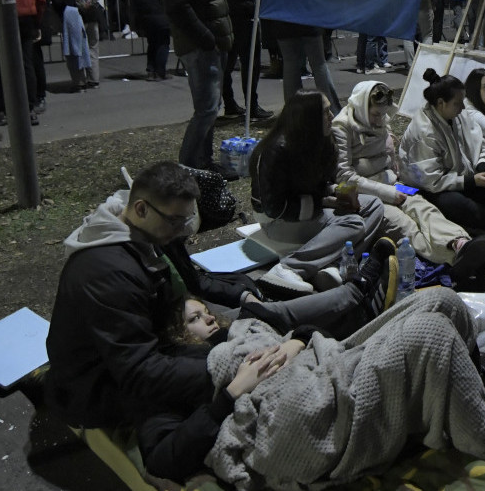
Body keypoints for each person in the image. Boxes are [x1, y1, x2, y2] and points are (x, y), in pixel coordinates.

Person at [43, 161, 396, 432]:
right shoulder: (107, 272)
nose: (183, 232)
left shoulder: (149, 232)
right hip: (99, 389)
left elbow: (192, 284)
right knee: (259, 380)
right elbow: (139, 374)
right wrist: (229, 371)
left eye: (186, 222)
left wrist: (243, 300)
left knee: (265, 333)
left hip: (164, 343)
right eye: (176, 223)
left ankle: (351, 311)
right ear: (140, 209)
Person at [140, 290, 485, 491]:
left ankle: (484, 396)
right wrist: (230, 394)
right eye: (197, 318)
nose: (211, 320)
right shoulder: (177, 374)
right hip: (309, 407)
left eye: (208, 311)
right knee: (431, 334)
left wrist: (294, 341)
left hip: (327, 361)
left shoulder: (238, 331)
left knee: (443, 300)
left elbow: (307, 335)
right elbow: (162, 457)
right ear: (177, 334)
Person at [333, 80, 485, 283]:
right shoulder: (342, 127)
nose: (378, 120)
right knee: (405, 226)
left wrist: (394, 173)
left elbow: (388, 154)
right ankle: (454, 259)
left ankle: (460, 243)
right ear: (361, 107)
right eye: (375, 115)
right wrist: (388, 193)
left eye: (381, 115)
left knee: (424, 209)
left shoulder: (380, 119)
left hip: (392, 183)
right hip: (367, 194)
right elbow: (345, 176)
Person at [249, 90, 388, 294]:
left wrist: (336, 195)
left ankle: (331, 265)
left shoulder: (321, 141)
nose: (332, 115)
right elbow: (275, 208)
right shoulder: (276, 150)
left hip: (310, 210)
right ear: (308, 118)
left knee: (374, 205)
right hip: (278, 221)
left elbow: (321, 184)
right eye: (325, 112)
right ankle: (290, 267)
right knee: (353, 222)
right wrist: (324, 202)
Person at [398, 69, 485, 238]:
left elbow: (478, 142)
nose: (463, 107)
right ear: (441, 102)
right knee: (451, 201)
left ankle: (481, 219)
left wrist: (482, 164)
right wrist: (471, 181)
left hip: (461, 175)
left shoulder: (457, 113)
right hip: (433, 188)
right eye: (458, 103)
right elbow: (431, 181)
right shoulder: (424, 131)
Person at [158, 0, 236, 178]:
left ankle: (203, 162)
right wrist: (206, 38)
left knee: (210, 109)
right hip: (202, 48)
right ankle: (189, 166)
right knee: (206, 110)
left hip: (207, 46)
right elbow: (177, 6)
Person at [209, 0, 272, 121]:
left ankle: (230, 104)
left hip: (224, 8)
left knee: (227, 62)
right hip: (241, 10)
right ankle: (251, 105)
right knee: (250, 60)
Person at [48, 0, 102, 91]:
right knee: (92, 47)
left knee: (74, 50)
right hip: (91, 14)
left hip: (72, 16)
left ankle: (79, 81)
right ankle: (94, 79)